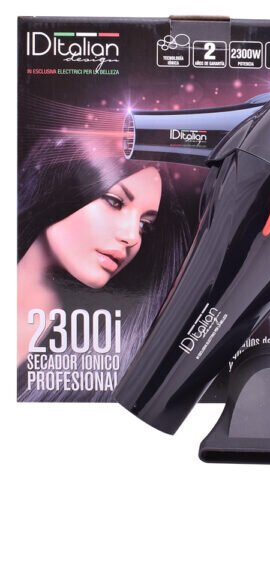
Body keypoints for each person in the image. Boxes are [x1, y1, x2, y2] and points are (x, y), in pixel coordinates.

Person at [17, 136, 191, 401]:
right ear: (61, 185)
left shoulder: (103, 360)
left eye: (144, 225)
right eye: (114, 202)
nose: (132, 237)